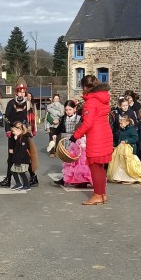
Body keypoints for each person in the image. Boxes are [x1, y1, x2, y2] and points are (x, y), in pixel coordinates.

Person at [71, 74, 114, 205]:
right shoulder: (103, 99)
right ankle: (102, 194)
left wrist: (76, 135)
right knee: (100, 168)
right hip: (105, 134)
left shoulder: (91, 102)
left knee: (94, 168)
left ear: (85, 87)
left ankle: (97, 195)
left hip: (96, 136)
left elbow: (87, 123)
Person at [0, 82, 34, 188]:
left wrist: (32, 130)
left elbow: (31, 117)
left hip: (24, 134)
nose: (21, 94)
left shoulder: (28, 104)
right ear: (16, 93)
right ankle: (8, 179)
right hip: (13, 133)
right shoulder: (11, 103)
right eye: (20, 92)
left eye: (23, 92)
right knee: (11, 157)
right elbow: (6, 118)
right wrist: (8, 130)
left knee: (25, 156)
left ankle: (33, 176)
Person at [51, 100, 92, 188]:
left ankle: (81, 180)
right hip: (66, 140)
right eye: (66, 110)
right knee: (67, 161)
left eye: (70, 109)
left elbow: (84, 129)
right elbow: (59, 128)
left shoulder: (79, 118)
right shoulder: (64, 118)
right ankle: (67, 178)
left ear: (74, 109)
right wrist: (55, 134)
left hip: (77, 141)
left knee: (78, 162)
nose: (68, 112)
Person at [8, 120, 33, 191]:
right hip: (19, 158)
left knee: (21, 172)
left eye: (14, 131)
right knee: (13, 170)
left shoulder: (23, 138)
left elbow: (22, 150)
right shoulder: (20, 137)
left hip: (22, 159)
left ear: (19, 130)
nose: (13, 133)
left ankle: (26, 185)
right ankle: (18, 183)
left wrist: (18, 160)